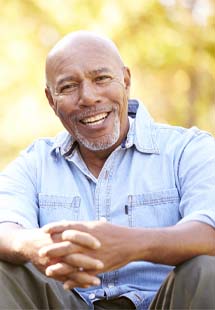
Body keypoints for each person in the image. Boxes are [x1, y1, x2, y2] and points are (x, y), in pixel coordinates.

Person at [0, 30, 214, 310]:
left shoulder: (188, 149)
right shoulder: (35, 162)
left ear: (125, 81)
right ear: (51, 101)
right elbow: (5, 226)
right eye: (68, 87)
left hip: (164, 302)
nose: (88, 97)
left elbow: (209, 230)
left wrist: (134, 245)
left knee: (206, 270)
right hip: (68, 302)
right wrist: (34, 245)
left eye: (101, 79)